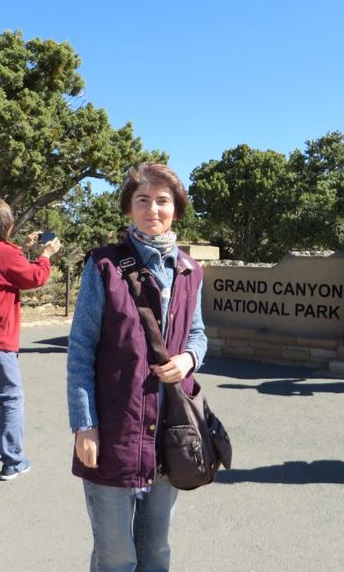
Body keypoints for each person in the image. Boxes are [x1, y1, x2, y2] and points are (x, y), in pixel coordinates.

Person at [67, 162, 207, 571]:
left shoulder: (189, 269)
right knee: (116, 556)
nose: (153, 209)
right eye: (142, 199)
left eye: (163, 201)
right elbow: (80, 351)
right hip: (114, 430)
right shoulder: (104, 266)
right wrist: (84, 424)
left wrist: (188, 358)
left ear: (176, 210)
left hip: (171, 431)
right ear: (129, 208)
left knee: (156, 551)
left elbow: (198, 333)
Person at [0, 196, 62, 479]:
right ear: (7, 224)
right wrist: (46, 255)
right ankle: (12, 460)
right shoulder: (6, 253)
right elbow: (34, 277)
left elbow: (3, 264)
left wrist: (25, 247)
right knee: (11, 398)